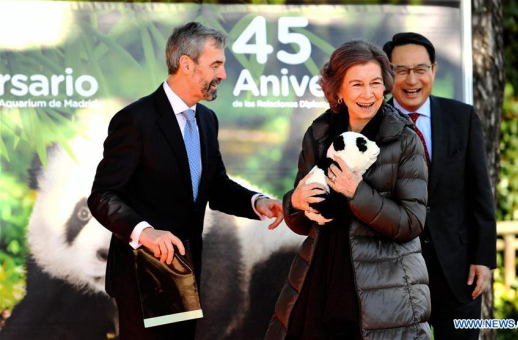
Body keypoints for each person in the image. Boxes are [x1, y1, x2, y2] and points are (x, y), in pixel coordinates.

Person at [88, 22, 284, 340]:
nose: (222, 74)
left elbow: (215, 185)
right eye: (216, 65)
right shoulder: (135, 120)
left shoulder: (206, 119)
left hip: (186, 271)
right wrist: (145, 232)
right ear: (186, 64)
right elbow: (103, 196)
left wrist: (256, 202)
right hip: (142, 274)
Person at [265, 40, 431, 340]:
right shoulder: (319, 133)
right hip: (319, 280)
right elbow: (301, 222)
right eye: (357, 84)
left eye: (376, 83)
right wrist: (295, 203)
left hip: (383, 292)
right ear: (338, 89)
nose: (368, 94)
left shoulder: (405, 139)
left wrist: (358, 194)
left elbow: (412, 222)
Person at [382, 32, 497, 340]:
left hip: (460, 273)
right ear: (387, 74)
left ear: (433, 70)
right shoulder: (373, 125)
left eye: (420, 69)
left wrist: (484, 259)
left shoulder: (462, 117)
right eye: (401, 70)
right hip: (396, 275)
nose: (411, 79)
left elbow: (480, 195)